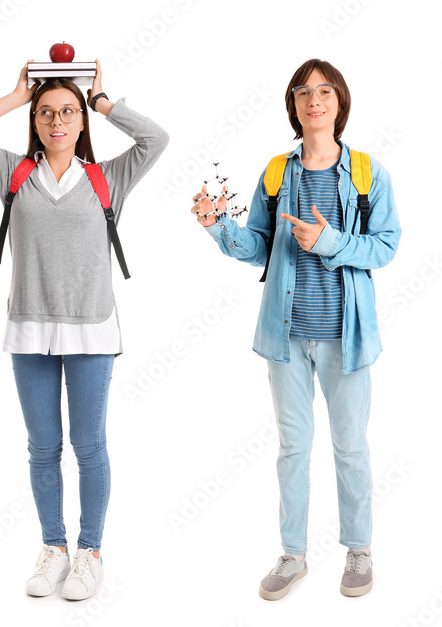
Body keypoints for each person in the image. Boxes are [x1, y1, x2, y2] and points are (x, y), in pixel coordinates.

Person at [0, 60, 168, 600]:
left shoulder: (106, 177)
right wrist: (14, 96)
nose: (57, 121)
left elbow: (156, 139)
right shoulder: (14, 174)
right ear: (36, 120)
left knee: (88, 445)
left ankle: (90, 551)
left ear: (82, 120)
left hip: (92, 329)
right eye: (47, 112)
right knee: (43, 447)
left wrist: (104, 102)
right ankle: (54, 547)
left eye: (68, 111)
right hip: (30, 328)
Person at [191, 58, 400, 600]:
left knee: (350, 446)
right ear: (294, 105)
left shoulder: (366, 173)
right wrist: (219, 228)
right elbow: (258, 245)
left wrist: (328, 242)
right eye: (304, 92)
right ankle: (293, 555)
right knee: (293, 448)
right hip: (284, 339)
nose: (314, 101)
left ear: (340, 102)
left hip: (345, 339)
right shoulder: (277, 172)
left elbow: (387, 245)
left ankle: (359, 550)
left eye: (325, 92)